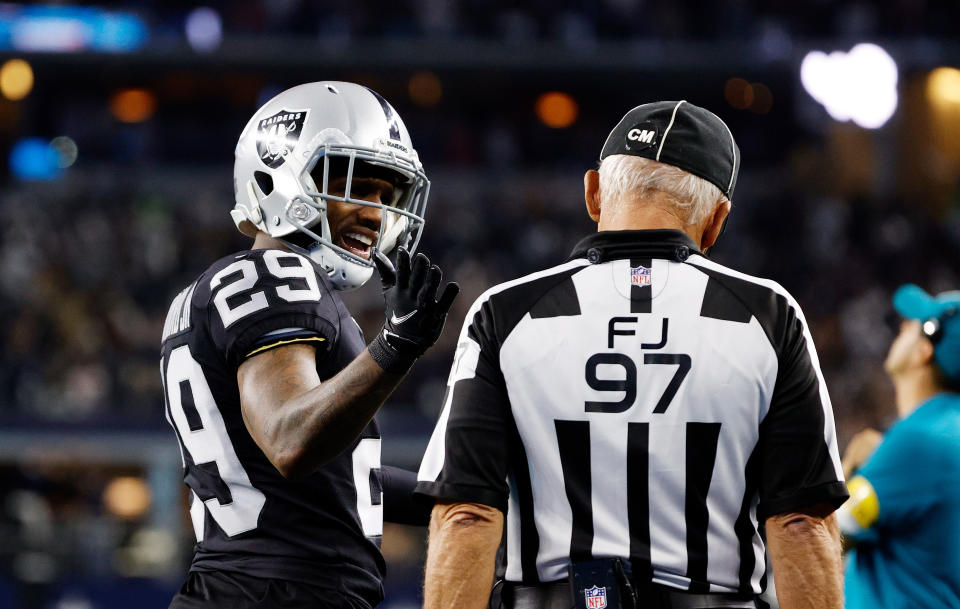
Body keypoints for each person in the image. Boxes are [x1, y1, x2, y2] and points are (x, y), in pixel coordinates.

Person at [415, 100, 848, 609]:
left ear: (593, 193)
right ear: (716, 221)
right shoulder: (768, 316)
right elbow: (800, 521)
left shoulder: (504, 313)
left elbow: (466, 514)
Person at [159, 81, 458, 609]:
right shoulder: (277, 275)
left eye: (387, 196)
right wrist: (396, 347)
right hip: (281, 591)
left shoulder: (239, 284)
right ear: (279, 174)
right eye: (356, 186)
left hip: (246, 586)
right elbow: (289, 439)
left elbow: (338, 476)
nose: (375, 214)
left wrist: (463, 492)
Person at [838, 285, 960, 609]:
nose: (904, 325)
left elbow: (830, 535)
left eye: (914, 323)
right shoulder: (947, 432)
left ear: (925, 350)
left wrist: (847, 474)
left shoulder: (920, 441)